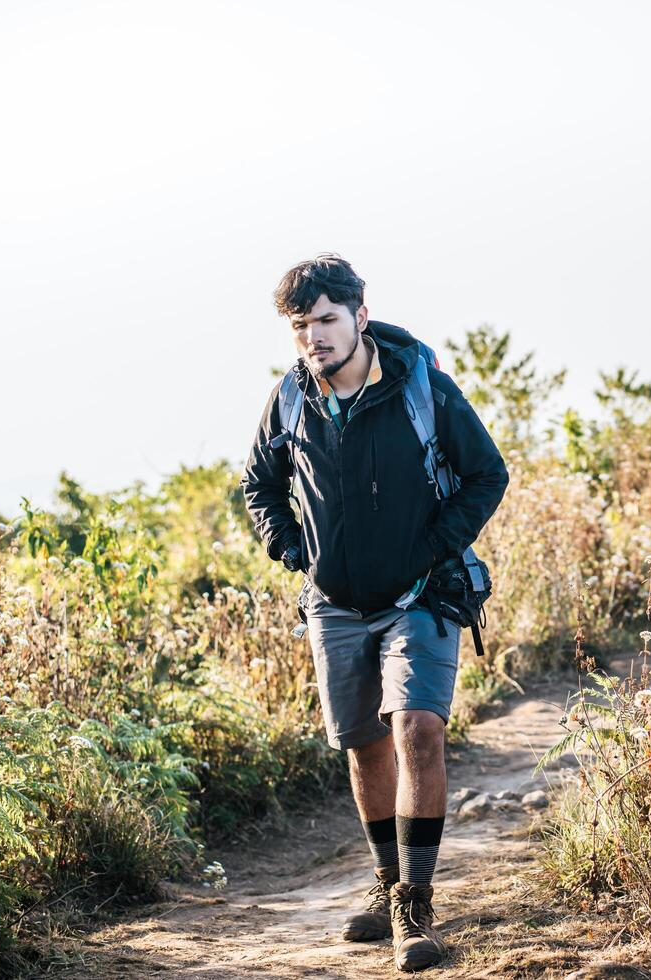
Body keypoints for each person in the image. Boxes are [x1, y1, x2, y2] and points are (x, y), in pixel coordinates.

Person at [241, 253, 508, 972]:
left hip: (421, 595)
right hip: (334, 606)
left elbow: (487, 474)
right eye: (301, 326)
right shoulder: (289, 399)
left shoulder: (423, 388)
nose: (314, 338)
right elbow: (258, 484)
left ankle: (414, 906)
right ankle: (388, 884)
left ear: (360, 316)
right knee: (364, 745)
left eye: (326, 320)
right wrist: (289, 547)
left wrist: (434, 547)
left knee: (416, 727)